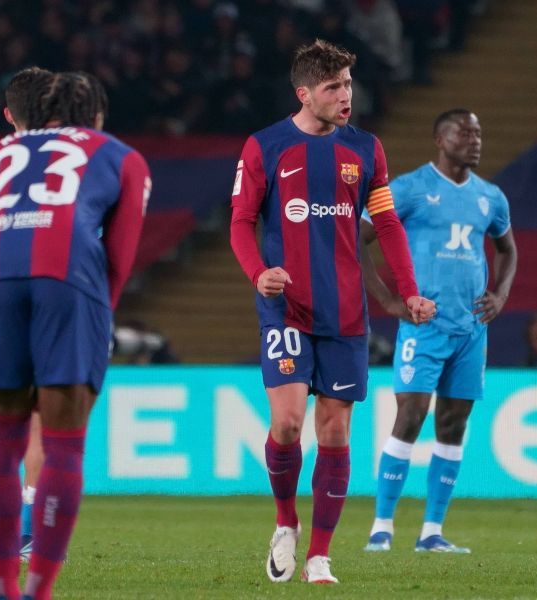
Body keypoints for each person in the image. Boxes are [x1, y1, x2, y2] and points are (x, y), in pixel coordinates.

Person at [0, 70, 150, 600]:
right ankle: (37, 592)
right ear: (95, 116)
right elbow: (118, 260)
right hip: (69, 281)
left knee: (2, 444)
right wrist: (95, 322)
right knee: (62, 448)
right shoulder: (121, 155)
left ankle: (0, 588)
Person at [230, 38, 435, 584]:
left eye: (348, 84)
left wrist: (408, 290)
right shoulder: (264, 146)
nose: (346, 95)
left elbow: (387, 224)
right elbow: (240, 221)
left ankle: (319, 555)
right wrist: (259, 274)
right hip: (286, 305)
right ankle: (285, 523)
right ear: (304, 93)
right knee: (288, 421)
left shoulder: (367, 150)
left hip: (346, 312)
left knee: (336, 433)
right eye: (333, 87)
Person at [362, 109, 517, 554]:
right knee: (410, 417)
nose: (475, 140)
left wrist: (501, 294)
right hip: (424, 325)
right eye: (465, 132)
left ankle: (432, 532)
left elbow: (508, 250)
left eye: (479, 132)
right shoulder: (409, 188)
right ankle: (382, 527)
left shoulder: (491, 197)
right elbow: (356, 238)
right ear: (440, 139)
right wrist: (390, 302)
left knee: (454, 424)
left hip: (470, 329)